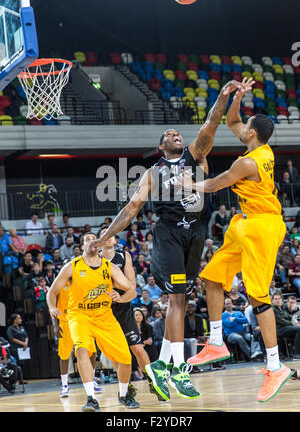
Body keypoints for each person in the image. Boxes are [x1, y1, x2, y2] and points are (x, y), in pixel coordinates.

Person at [88, 78, 243, 401]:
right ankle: (178, 370)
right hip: (169, 232)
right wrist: (105, 236)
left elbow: (210, 124)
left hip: (195, 233)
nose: (176, 135)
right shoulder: (153, 173)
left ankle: (163, 366)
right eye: (169, 135)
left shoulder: (195, 155)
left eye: (177, 133)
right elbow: (131, 208)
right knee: (175, 298)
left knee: (183, 301)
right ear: (161, 146)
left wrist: (224, 96)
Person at [185, 77, 292, 402]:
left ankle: (276, 367)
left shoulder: (247, 162)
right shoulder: (257, 147)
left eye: (246, 124)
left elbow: (215, 185)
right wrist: (237, 95)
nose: (240, 126)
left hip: (262, 226)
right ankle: (216, 341)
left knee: (258, 296)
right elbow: (231, 120)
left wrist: (184, 186)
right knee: (213, 278)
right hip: (243, 223)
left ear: (252, 133)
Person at [46, 232, 139, 412]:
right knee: (81, 349)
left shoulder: (109, 267)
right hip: (79, 315)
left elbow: (132, 291)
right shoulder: (72, 266)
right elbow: (52, 292)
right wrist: (51, 307)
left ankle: (124, 394)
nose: (92, 241)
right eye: (87, 239)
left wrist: (120, 298)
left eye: (94, 238)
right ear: (82, 247)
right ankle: (91, 398)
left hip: (104, 316)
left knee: (125, 358)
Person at [98, 226, 159, 401]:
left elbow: (132, 286)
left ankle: (152, 381)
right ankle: (125, 387)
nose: (108, 237)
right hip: (104, 311)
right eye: (103, 234)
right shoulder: (95, 259)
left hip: (123, 307)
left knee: (137, 347)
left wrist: (120, 297)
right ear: (99, 241)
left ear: (116, 240)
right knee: (117, 354)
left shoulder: (124, 256)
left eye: (111, 234)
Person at [51, 280, 100, 398]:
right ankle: (64, 384)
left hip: (82, 321)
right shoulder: (60, 285)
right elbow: (52, 306)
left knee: (91, 351)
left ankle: (92, 379)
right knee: (64, 355)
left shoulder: (82, 283)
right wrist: (55, 325)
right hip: (65, 322)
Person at [272, 292, 300, 359]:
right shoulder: (273, 310)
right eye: (276, 299)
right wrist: (294, 324)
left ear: (282, 300)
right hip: (278, 330)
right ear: (272, 301)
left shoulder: (282, 308)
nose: (278, 300)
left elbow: (290, 317)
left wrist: (296, 322)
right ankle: (297, 354)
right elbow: (282, 321)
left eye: (279, 299)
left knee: (298, 329)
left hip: (286, 328)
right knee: (298, 329)